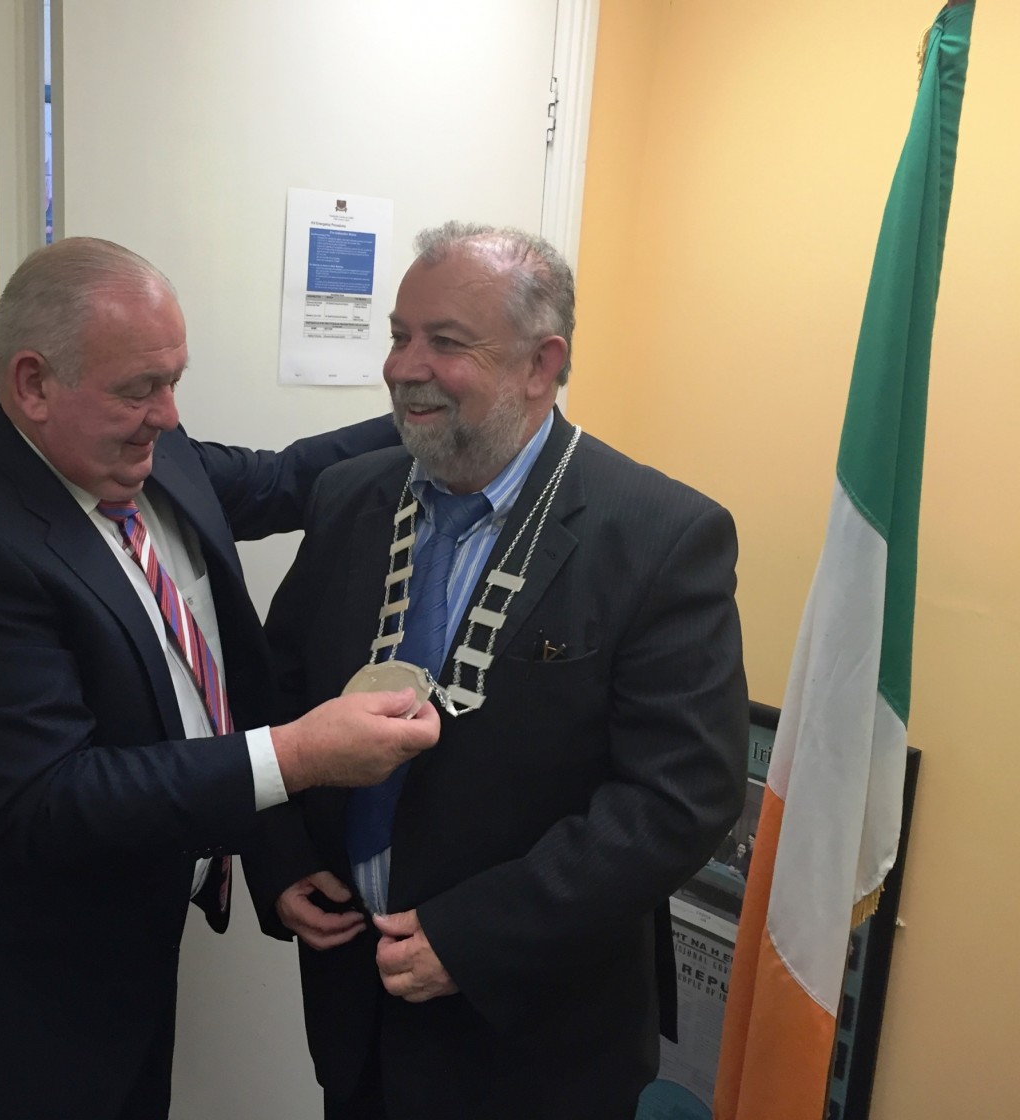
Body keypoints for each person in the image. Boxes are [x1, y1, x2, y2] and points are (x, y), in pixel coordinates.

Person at [0, 237, 439, 1120]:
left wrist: (429, 409)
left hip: (131, 965)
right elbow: (49, 796)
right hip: (13, 1011)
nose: (167, 416)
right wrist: (296, 756)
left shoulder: (141, 453)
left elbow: (286, 480)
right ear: (33, 384)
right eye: (139, 388)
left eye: (174, 380)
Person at [244, 222, 749, 1119]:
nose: (405, 367)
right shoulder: (351, 496)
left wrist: (474, 938)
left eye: (446, 342)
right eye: (400, 335)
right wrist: (278, 856)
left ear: (540, 363)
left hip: (536, 1030)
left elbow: (678, 799)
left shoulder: (660, 535)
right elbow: (279, 685)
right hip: (354, 1003)